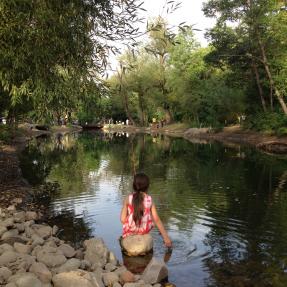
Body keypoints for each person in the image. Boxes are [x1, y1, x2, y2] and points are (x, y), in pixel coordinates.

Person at [120, 173, 172, 254]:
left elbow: (123, 220)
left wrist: (125, 205)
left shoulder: (128, 198)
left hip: (130, 232)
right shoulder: (149, 199)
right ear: (147, 187)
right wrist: (166, 238)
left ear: (134, 185)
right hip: (144, 232)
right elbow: (157, 220)